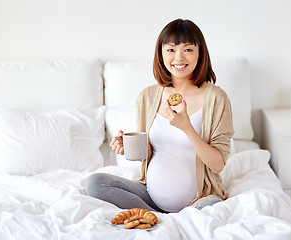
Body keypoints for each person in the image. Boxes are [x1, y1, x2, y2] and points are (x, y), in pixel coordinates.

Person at [86, 18, 234, 213]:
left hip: (199, 200)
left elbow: (218, 165)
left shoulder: (216, 97)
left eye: (188, 49)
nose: (179, 57)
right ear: (161, 53)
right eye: (171, 49)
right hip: (150, 196)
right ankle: (153, 215)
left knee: (213, 208)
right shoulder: (147, 96)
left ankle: (165, 219)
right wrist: (126, 146)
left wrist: (187, 128)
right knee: (96, 183)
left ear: (200, 53)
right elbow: (144, 155)